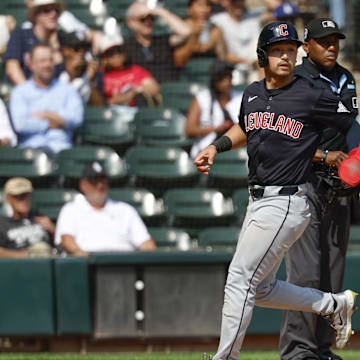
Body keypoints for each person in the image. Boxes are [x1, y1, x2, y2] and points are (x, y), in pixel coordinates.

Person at [194, 21, 360, 360]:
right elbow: (246, 126)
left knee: (239, 279)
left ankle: (224, 358)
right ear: (262, 55)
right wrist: (217, 146)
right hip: (258, 201)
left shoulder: (311, 93)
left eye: (290, 49)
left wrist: (357, 155)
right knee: (263, 288)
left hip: (288, 199)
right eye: (277, 50)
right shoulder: (253, 93)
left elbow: (351, 123)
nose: (286, 56)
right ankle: (334, 304)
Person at [279, 18, 358, 360]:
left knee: (331, 273)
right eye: (323, 41)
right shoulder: (293, 81)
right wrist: (325, 155)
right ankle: (298, 350)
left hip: (338, 187)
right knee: (306, 274)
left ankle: (320, 349)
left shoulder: (345, 77)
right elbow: (282, 139)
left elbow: (351, 125)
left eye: (335, 40)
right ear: (305, 46)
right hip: (304, 182)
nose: (331, 46)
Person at [55, 161, 157, 257]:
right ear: (83, 185)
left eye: (103, 181)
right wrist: (88, 259)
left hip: (125, 265)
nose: (100, 186)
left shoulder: (126, 210)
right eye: (94, 181)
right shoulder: (70, 210)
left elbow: (147, 244)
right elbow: (67, 241)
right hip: (88, 265)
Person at [9, 44, 84, 156]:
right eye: (42, 61)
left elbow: (76, 119)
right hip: (31, 152)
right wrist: (51, 123)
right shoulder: (20, 92)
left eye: (50, 60)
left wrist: (44, 114)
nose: (48, 65)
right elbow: (21, 125)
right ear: (31, 65)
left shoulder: (68, 89)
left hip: (62, 151)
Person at [186, 60, 243, 158]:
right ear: (215, 80)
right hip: (207, 148)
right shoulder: (202, 97)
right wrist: (215, 129)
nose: (227, 81)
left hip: (238, 150)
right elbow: (189, 130)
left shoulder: (241, 96)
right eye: (222, 78)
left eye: (229, 76)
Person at [125, 1, 191, 83]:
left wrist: (160, 12)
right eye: (143, 19)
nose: (148, 22)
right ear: (131, 22)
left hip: (169, 89)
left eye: (151, 18)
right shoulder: (126, 47)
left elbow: (185, 32)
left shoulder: (162, 40)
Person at [3, 0, 65, 85]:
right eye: (47, 10)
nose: (53, 14)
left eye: (56, 10)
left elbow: (62, 76)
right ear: (35, 15)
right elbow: (12, 68)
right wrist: (30, 93)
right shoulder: (20, 35)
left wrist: (55, 48)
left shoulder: (62, 39)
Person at [96, 35, 161, 107]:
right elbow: (102, 103)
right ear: (105, 58)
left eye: (119, 51)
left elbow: (155, 89)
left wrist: (140, 89)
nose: (116, 56)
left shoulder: (136, 70)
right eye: (111, 54)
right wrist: (132, 93)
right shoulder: (100, 75)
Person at [0, 177, 55, 258]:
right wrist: (24, 256)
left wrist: (53, 230)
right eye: (19, 196)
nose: (24, 200)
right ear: (9, 198)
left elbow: (60, 244)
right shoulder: (2, 224)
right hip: (21, 266)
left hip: (48, 261)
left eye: (27, 195)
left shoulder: (40, 217)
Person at [210, 0, 262, 83]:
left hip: (255, 67)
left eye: (241, 1)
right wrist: (246, 61)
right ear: (227, 3)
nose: (238, 5)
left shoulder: (253, 18)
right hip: (231, 67)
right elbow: (222, 53)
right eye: (234, 2)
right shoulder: (218, 20)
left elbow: (275, 7)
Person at [174, 0, 227, 68]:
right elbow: (179, 62)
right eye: (199, 5)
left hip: (210, 71)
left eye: (207, 5)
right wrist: (194, 36)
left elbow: (223, 56)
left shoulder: (215, 29)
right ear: (190, 9)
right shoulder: (181, 28)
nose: (204, 9)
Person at [58, 30, 103, 105]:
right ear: (65, 50)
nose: (81, 52)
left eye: (84, 48)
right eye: (77, 48)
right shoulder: (56, 71)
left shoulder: (94, 72)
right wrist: (71, 77)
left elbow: (100, 107)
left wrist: (91, 82)